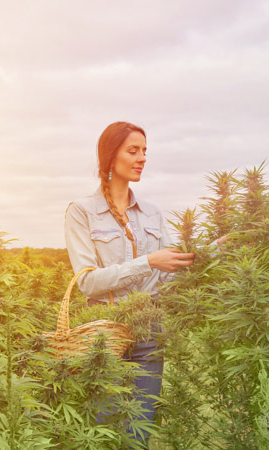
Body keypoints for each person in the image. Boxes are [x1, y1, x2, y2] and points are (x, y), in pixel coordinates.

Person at [64, 121, 225, 446]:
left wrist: (211, 253)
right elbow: (88, 283)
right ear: (111, 156)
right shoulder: (81, 212)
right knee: (105, 430)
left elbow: (168, 274)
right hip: (105, 334)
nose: (142, 158)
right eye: (133, 151)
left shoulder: (152, 214)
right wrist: (148, 261)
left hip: (151, 330)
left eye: (145, 152)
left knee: (138, 433)